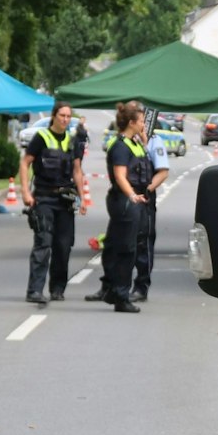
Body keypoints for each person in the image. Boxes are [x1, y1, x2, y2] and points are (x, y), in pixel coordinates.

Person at [18, 100, 89, 306]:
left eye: (68, 116)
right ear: (54, 116)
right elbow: (25, 163)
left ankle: (58, 289)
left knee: (63, 246)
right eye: (62, 116)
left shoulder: (72, 140)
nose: (65, 120)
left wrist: (81, 198)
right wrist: (25, 192)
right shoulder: (41, 137)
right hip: (44, 197)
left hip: (66, 199)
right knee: (44, 243)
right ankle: (35, 290)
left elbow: (77, 170)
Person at [86, 104, 146, 314]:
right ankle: (121, 296)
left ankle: (111, 288)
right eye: (141, 121)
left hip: (132, 200)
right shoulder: (120, 146)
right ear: (131, 123)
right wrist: (131, 195)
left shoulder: (135, 143)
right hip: (126, 201)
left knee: (113, 245)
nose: (143, 124)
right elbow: (120, 175)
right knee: (126, 250)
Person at [133, 113, 172, 301]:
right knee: (121, 242)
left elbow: (163, 172)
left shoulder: (154, 142)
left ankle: (141, 286)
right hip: (126, 197)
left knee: (143, 243)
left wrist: (146, 189)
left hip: (144, 197)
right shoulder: (125, 142)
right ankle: (116, 285)